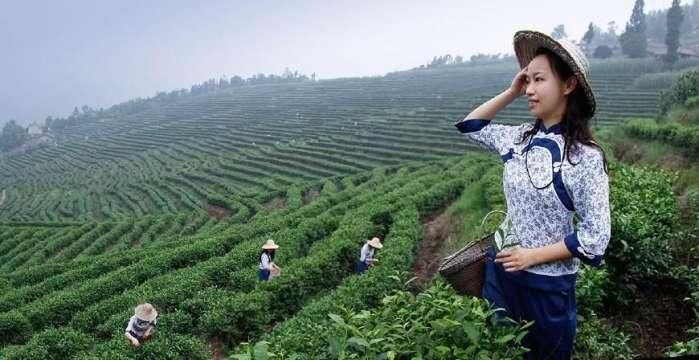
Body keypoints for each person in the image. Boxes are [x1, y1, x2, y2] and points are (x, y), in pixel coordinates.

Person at [454, 29, 611, 359]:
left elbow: (596, 238)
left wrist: (532, 256)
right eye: (528, 80)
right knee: (502, 350)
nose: (530, 89)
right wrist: (511, 91)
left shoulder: (584, 157)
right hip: (501, 272)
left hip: (545, 285)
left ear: (569, 85)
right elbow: (470, 126)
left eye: (539, 80)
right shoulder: (518, 138)